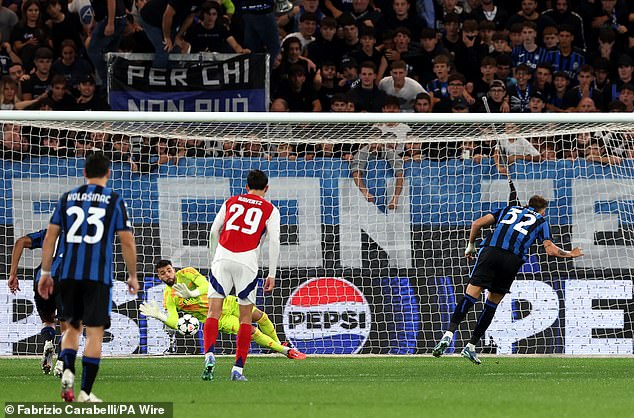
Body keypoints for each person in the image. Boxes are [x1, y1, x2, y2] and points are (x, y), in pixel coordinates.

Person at [432, 195, 583, 364]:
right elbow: (550, 250)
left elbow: (477, 223)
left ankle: (448, 334)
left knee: (470, 296)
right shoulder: (541, 221)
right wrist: (571, 253)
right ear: (543, 210)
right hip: (511, 259)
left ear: (527, 204)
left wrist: (471, 245)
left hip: (490, 252)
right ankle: (471, 346)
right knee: (491, 304)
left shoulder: (509, 209)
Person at [38, 152, 139, 402]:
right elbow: (127, 240)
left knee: (72, 328)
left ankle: (68, 371)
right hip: (98, 277)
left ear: (84, 173)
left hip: (68, 275)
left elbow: (50, 238)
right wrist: (133, 275)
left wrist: (46, 272)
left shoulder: (67, 198)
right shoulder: (114, 200)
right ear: (108, 173)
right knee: (94, 333)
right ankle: (84, 391)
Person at [202, 169, 281, 382]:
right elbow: (274, 241)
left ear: (246, 187)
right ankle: (237, 370)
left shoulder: (231, 201)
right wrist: (271, 273)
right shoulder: (270, 209)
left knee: (213, 312)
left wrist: (214, 259)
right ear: (266, 188)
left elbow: (213, 231)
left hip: (222, 257)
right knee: (245, 317)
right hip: (247, 261)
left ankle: (209, 354)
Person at [139, 259, 306, 359]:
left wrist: (192, 292)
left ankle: (276, 345)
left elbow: (205, 285)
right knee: (252, 332)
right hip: (218, 318)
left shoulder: (187, 272)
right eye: (163, 273)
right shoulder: (169, 296)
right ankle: (286, 351)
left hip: (228, 302)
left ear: (173, 269)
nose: (167, 275)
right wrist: (160, 316)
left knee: (262, 317)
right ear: (159, 277)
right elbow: (175, 321)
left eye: (169, 270)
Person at [8, 229, 65, 377]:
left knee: (48, 320)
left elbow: (20, 242)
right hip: (65, 279)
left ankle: (48, 342)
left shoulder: (49, 233)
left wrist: (13, 274)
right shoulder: (81, 235)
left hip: (41, 279)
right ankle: (61, 360)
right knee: (69, 324)